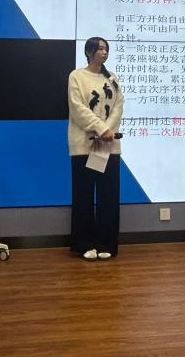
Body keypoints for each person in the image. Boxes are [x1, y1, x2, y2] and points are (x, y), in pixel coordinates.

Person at [67, 36, 123, 261]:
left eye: (106, 48)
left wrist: (107, 131)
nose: (104, 52)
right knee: (84, 195)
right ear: (89, 52)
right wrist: (100, 128)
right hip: (83, 145)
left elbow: (118, 106)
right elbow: (77, 108)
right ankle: (85, 244)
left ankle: (106, 243)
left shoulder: (112, 78)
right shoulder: (77, 76)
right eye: (100, 48)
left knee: (108, 195)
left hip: (107, 145)